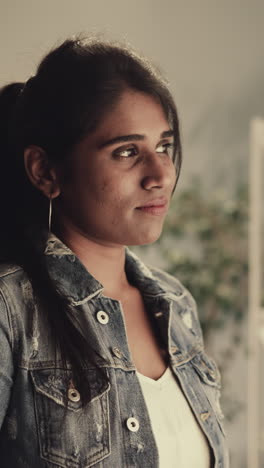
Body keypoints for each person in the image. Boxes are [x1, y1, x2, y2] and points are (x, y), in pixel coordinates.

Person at [0, 37, 228, 468]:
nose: (160, 174)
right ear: (45, 171)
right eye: (127, 152)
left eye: (164, 146)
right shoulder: (9, 311)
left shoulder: (176, 306)